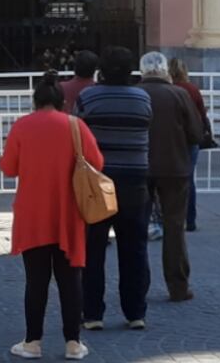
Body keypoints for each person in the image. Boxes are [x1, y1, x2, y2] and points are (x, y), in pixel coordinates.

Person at [3, 72, 104, 360]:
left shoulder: (22, 126)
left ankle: (32, 342)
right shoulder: (76, 126)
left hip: (33, 215)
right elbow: (97, 162)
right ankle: (73, 343)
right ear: (62, 102)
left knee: (35, 281)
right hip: (68, 213)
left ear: (35, 100)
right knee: (70, 280)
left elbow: (9, 167)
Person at [75, 45, 153, 331]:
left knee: (93, 249)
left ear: (102, 71)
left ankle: (92, 313)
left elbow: (79, 133)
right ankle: (135, 313)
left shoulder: (89, 97)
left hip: (98, 182)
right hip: (134, 181)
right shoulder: (142, 98)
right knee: (134, 249)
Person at [140, 51, 204, 302]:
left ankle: (137, 288)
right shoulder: (180, 94)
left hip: (141, 168)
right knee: (175, 227)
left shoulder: (137, 93)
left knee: (136, 229)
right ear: (165, 70)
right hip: (175, 169)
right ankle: (177, 286)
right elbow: (196, 133)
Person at [168, 57, 211, 233]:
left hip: (171, 139)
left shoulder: (168, 90)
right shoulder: (192, 90)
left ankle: (170, 217)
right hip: (191, 139)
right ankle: (190, 219)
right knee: (188, 179)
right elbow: (202, 113)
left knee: (167, 178)